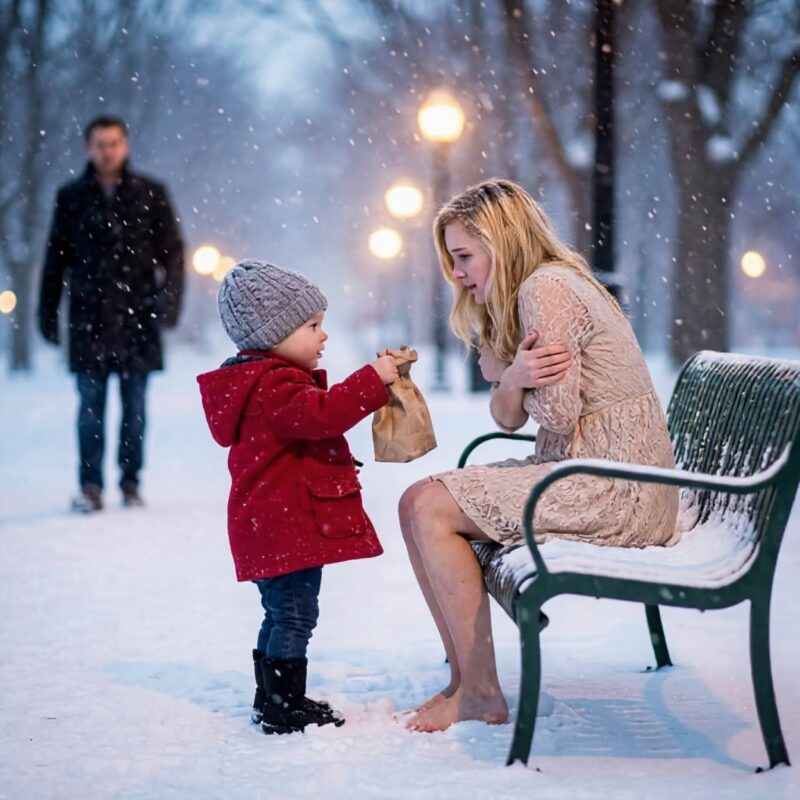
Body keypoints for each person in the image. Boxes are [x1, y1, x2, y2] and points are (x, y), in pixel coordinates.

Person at [399, 179, 679, 732]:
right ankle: (465, 681)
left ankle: (479, 691)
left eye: (464, 256)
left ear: (500, 243)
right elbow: (507, 418)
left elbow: (552, 415)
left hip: (616, 486)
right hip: (582, 471)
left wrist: (507, 375)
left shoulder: (546, 289)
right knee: (417, 503)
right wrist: (512, 379)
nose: (456, 273)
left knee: (429, 507)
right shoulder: (536, 288)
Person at [197, 259, 399, 735]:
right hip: (281, 525)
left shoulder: (257, 382)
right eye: (312, 326)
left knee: (281, 611)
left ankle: (271, 698)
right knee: (294, 613)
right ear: (273, 335)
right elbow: (323, 415)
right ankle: (283, 706)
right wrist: (373, 379)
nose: (322, 336)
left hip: (270, 524)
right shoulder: (274, 384)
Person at [38, 115, 184, 511]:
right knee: (89, 410)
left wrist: (167, 304)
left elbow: (173, 253)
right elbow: (56, 260)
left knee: (134, 409)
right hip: (88, 319)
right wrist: (46, 314)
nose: (107, 151)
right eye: (100, 144)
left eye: (114, 143)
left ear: (126, 145)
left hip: (139, 317)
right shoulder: (71, 197)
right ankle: (90, 486)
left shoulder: (150, 193)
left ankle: (131, 482)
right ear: (88, 148)